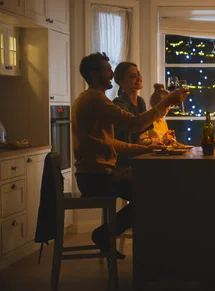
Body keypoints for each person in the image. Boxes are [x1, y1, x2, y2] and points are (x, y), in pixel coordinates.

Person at [72, 52, 189, 258]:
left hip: (96, 174)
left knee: (154, 190)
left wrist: (142, 149)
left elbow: (110, 141)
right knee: (153, 194)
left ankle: (149, 247)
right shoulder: (96, 100)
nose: (111, 74)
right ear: (94, 75)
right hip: (96, 177)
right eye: (107, 70)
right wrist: (167, 101)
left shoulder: (91, 98)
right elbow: (134, 124)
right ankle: (111, 237)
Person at [112, 62, 154, 167]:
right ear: (121, 83)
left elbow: (142, 135)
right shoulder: (119, 105)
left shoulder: (141, 101)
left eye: (138, 74)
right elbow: (128, 136)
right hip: (124, 162)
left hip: (138, 157)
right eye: (132, 76)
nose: (139, 78)